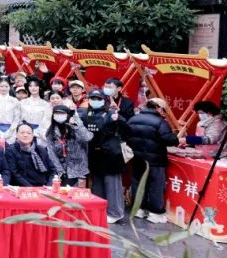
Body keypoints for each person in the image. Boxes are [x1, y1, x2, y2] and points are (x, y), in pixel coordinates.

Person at [77, 89, 129, 223]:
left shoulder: (111, 113)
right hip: (94, 154)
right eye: (92, 98)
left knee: (112, 184)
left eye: (98, 99)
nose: (95, 101)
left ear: (104, 100)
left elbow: (127, 129)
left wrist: (118, 119)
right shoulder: (85, 113)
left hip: (110, 154)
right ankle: (98, 210)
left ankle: (115, 212)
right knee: (97, 184)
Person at [126, 98, 178, 224]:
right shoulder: (160, 122)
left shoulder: (133, 119)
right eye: (163, 110)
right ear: (159, 108)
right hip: (155, 160)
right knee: (155, 186)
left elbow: (126, 136)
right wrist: (176, 138)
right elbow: (170, 140)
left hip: (137, 158)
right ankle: (155, 213)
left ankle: (139, 209)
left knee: (138, 184)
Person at [45, 104, 92, 186]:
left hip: (77, 169)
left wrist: (76, 124)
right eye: (57, 113)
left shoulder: (75, 128)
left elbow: (87, 138)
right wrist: (60, 171)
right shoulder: (51, 132)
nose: (59, 115)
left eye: (62, 113)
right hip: (60, 170)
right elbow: (51, 154)